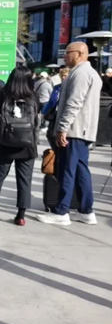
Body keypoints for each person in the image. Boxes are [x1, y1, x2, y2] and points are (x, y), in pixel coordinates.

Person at [37, 41, 102, 226]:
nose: (64, 56)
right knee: (81, 170)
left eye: (68, 52)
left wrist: (63, 127)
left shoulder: (81, 74)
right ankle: (86, 210)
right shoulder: (90, 73)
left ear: (80, 54)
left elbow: (74, 103)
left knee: (67, 170)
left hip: (74, 130)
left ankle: (62, 211)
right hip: (82, 130)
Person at [0, 66, 39, 226]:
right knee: (25, 180)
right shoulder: (33, 96)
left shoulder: (2, 95)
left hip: (4, 142)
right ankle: (21, 215)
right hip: (27, 144)